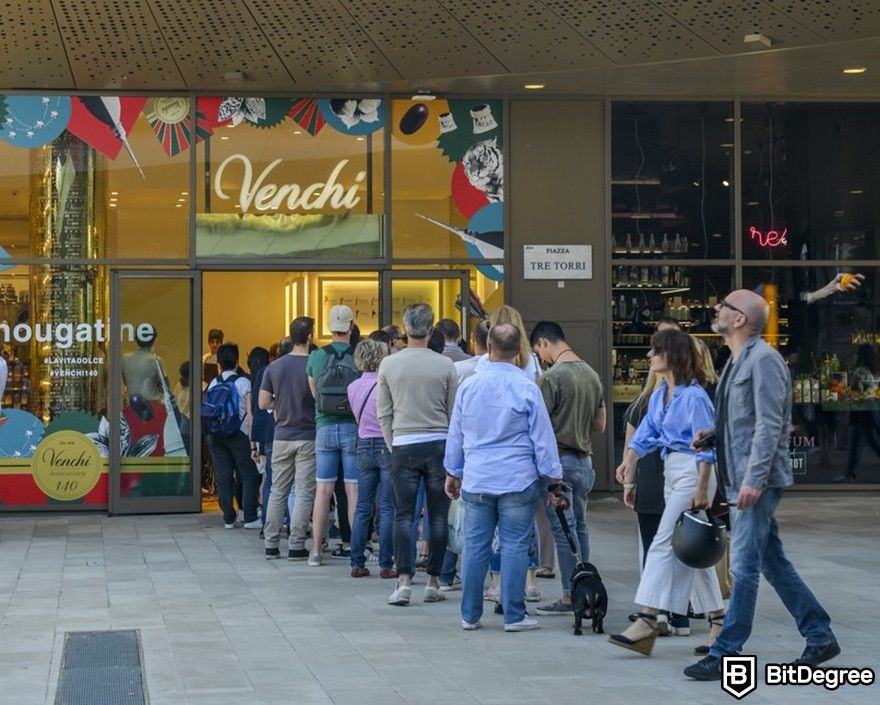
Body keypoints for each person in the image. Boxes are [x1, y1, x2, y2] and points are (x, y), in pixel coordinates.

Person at [684, 290, 839, 680]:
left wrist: (754, 480)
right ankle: (819, 635)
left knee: (745, 567)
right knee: (773, 562)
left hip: (757, 481)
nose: (715, 308)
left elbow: (771, 424)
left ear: (740, 320)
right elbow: (746, 420)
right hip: (741, 477)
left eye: (723, 305)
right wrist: (713, 434)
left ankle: (725, 652)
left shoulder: (765, 360)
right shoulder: (736, 360)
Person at [609, 328, 724, 656]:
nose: (649, 356)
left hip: (693, 471)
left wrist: (702, 487)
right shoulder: (661, 394)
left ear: (671, 356)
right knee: (691, 552)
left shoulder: (695, 397)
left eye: (655, 350)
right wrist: (629, 460)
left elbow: (706, 446)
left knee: (661, 543)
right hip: (673, 470)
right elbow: (646, 433)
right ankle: (719, 622)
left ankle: (647, 619)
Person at [445, 323, 563, 632]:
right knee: (514, 545)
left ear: (488, 348)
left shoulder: (469, 386)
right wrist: (552, 478)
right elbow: (542, 439)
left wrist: (452, 471)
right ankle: (513, 614)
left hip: (477, 477)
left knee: (475, 546)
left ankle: (469, 615)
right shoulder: (527, 388)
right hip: (517, 477)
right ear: (520, 350)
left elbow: (456, 434)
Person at [378, 303, 458, 606]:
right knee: (438, 516)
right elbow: (454, 414)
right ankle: (434, 580)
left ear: (405, 327)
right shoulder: (445, 365)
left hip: (404, 443)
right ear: (432, 328)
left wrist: (392, 442)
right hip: (439, 443)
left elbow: (383, 412)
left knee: (403, 515)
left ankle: (404, 581)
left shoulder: (389, 365)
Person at [529, 321, 606, 617]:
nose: (541, 357)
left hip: (558, 465)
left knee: (563, 531)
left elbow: (538, 425)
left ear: (544, 342)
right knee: (581, 527)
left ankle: (567, 596)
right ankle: (584, 584)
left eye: (538, 351)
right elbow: (600, 424)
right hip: (585, 462)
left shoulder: (552, 378)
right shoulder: (592, 374)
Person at [260, 317, 318, 559]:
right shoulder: (314, 365)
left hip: (282, 435)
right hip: (308, 434)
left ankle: (271, 543)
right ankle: (296, 544)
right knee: (304, 492)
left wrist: (280, 405)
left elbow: (263, 403)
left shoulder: (274, 367)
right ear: (310, 337)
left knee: (277, 490)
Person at [306, 305, 360, 566]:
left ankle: (316, 551)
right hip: (352, 426)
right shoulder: (358, 355)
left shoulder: (316, 356)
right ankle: (356, 550)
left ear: (330, 328)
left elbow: (314, 393)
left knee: (323, 490)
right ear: (351, 326)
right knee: (352, 490)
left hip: (324, 427)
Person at [347, 339, 397, 579]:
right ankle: (386, 563)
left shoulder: (352, 387)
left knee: (362, 507)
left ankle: (357, 561)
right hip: (386, 446)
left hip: (363, 444)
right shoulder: (386, 385)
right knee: (387, 507)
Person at [205, 343, 261, 530]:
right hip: (239, 434)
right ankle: (250, 516)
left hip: (216, 435)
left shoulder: (213, 383)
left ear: (219, 363)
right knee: (248, 475)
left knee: (223, 476)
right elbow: (251, 415)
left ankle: (229, 518)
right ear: (237, 361)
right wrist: (253, 441)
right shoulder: (244, 383)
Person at [840, 343, 880, 482]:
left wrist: (845, 392)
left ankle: (849, 474)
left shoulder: (861, 371)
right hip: (867, 413)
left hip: (861, 413)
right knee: (860, 443)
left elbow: (856, 392)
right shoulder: (872, 371)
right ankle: (849, 474)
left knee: (860, 443)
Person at [247, 347, 274, 531]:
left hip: (260, 433)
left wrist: (253, 445)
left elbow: (251, 416)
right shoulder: (271, 374)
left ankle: (265, 520)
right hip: (274, 432)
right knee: (272, 478)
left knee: (267, 478)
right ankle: (278, 520)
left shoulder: (253, 381)